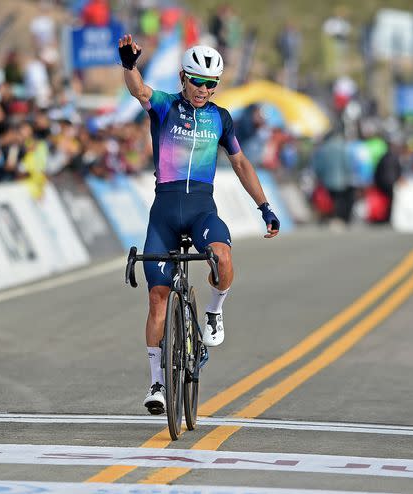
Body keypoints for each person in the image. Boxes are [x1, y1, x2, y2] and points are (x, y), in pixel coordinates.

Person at [117, 34, 280, 414]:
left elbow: (240, 164)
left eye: (211, 84)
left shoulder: (221, 118)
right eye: (197, 81)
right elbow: (139, 90)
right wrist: (129, 65)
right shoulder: (164, 107)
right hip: (165, 212)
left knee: (223, 258)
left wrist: (265, 206)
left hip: (201, 208)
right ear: (182, 78)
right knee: (157, 298)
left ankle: (213, 310)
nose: (203, 89)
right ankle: (157, 382)